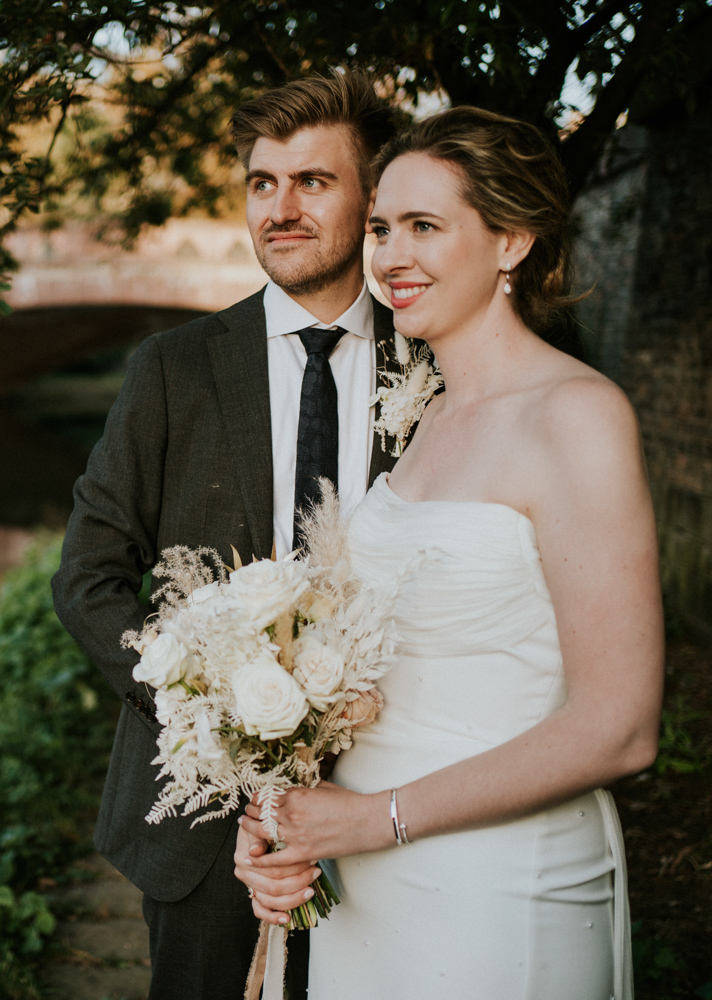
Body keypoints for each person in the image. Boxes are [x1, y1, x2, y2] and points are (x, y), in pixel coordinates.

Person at [234, 106, 664, 999]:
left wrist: (377, 820)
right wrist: (286, 812)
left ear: (511, 241)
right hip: (362, 880)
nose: (391, 256)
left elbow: (619, 725)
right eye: (384, 227)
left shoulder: (576, 416)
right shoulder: (425, 415)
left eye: (426, 227)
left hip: (496, 883)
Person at [51, 74, 409, 1000]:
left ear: (372, 198)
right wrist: (211, 721)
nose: (280, 209)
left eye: (312, 182)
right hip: (201, 836)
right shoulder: (173, 369)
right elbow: (88, 578)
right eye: (261, 183)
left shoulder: (435, 367)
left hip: (398, 802)